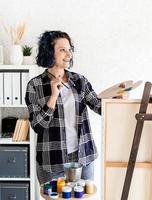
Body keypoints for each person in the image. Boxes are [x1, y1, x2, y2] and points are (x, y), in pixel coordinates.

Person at [25, 30, 123, 185]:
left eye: (69, 49)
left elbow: (99, 106)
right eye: (62, 50)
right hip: (52, 160)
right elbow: (37, 126)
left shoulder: (80, 81)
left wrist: (117, 101)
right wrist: (53, 97)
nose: (68, 54)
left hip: (83, 157)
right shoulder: (34, 85)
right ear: (49, 52)